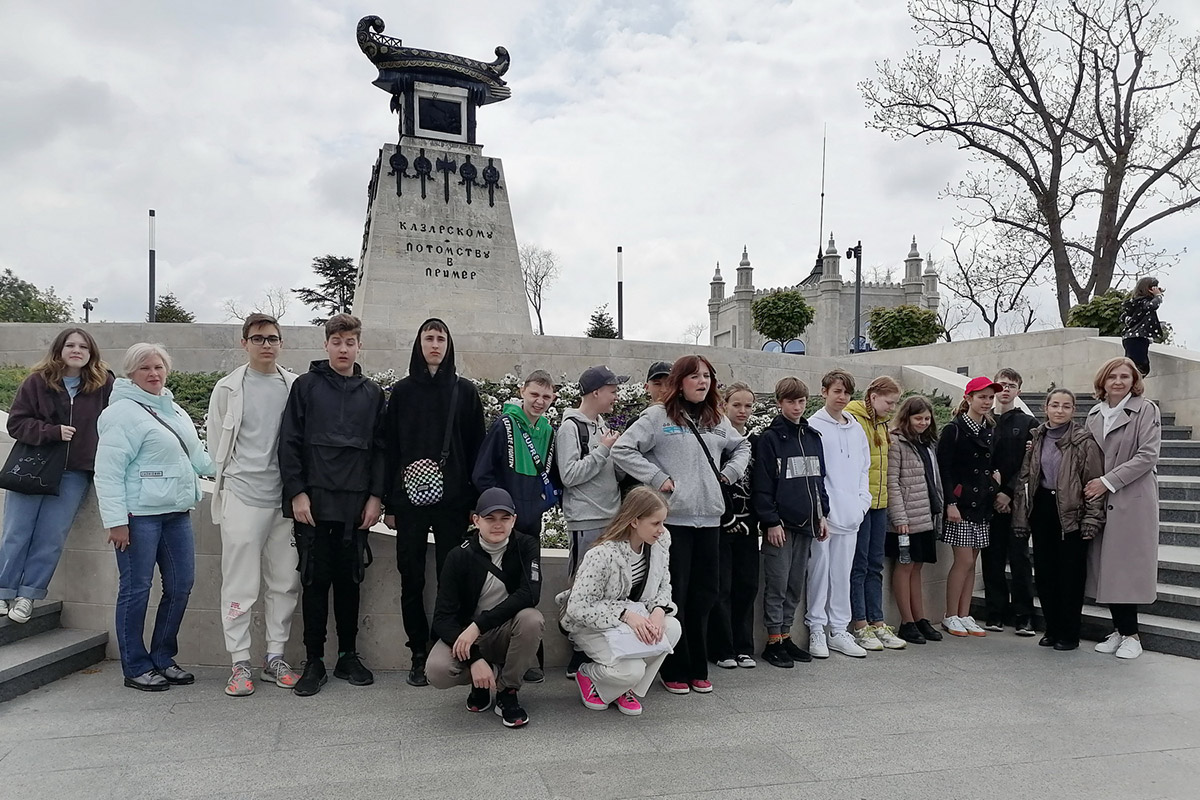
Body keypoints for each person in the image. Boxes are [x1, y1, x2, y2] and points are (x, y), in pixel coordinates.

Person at [612, 355, 750, 694]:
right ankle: (674, 667)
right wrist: (658, 478)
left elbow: (742, 445)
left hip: (711, 521)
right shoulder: (659, 416)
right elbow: (624, 449)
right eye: (694, 377)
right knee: (677, 595)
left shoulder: (718, 418)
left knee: (706, 594)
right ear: (680, 381)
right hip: (673, 522)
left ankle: (698, 666)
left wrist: (729, 474)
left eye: (707, 376)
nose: (702, 382)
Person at [278, 313, 387, 696]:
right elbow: (289, 441)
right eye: (337, 341)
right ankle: (313, 661)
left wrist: (376, 496)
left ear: (359, 346)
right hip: (313, 504)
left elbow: (380, 449)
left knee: (350, 582)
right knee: (314, 582)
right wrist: (297, 492)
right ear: (326, 345)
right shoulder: (305, 387)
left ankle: (347, 655)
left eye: (350, 342)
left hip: (355, 506)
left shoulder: (372, 393)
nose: (343, 348)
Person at [95, 343, 213, 691]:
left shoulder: (172, 409)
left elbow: (196, 456)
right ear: (131, 373)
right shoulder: (121, 413)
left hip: (176, 513)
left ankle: (163, 657)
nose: (154, 374)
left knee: (180, 586)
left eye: (159, 367)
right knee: (136, 590)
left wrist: (231, 469)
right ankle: (135, 665)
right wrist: (116, 521)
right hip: (138, 516)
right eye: (145, 368)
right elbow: (108, 472)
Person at [383, 318, 486, 688]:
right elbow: (389, 449)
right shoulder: (402, 392)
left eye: (441, 338)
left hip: (453, 502)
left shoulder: (465, 392)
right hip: (409, 502)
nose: (435, 344)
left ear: (449, 345)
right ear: (419, 343)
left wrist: (474, 500)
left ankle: (448, 645)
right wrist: (389, 503)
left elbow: (477, 449)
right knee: (410, 576)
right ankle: (417, 651)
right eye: (429, 337)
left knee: (451, 575)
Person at [206, 314, 301, 697]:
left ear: (281, 343)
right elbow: (216, 446)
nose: (266, 344)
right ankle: (239, 662)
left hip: (285, 500)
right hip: (243, 497)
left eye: (273, 338)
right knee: (240, 584)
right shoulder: (227, 389)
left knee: (285, 581)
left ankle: (275, 657)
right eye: (258, 338)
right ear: (244, 342)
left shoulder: (295, 386)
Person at [1, 329, 113, 623]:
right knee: (16, 532)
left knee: (51, 537)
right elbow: (16, 423)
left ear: (91, 353)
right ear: (59, 349)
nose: (76, 350)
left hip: (74, 473)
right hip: (32, 468)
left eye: (83, 346)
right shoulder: (37, 382)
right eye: (70, 345)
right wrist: (51, 432)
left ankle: (28, 594)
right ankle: (3, 591)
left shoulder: (103, 384)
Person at [427, 487, 543, 728]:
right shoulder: (458, 557)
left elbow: (530, 594)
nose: (498, 525)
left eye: (505, 518)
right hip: (467, 636)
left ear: (514, 520)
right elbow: (442, 618)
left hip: (504, 631)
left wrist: (478, 626)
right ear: (476, 521)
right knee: (437, 671)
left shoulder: (526, 546)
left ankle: (507, 691)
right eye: (490, 518)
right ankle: (483, 677)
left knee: (532, 619)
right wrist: (474, 659)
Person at [562, 487, 680, 716]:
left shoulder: (660, 543)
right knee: (633, 669)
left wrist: (657, 610)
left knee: (671, 627)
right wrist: (625, 615)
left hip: (632, 621)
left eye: (663, 522)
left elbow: (664, 584)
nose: (661, 530)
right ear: (635, 521)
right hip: (592, 625)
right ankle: (588, 674)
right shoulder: (603, 554)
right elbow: (577, 606)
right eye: (655, 523)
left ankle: (623, 688)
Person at [1011, 389, 1106, 651]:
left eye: (1066, 406)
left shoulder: (1083, 440)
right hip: (1043, 508)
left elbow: (1093, 481)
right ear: (1046, 408)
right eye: (1055, 405)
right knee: (1045, 573)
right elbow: (1026, 479)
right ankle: (1051, 629)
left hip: (1072, 512)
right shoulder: (1037, 437)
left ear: (1073, 410)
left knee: (1071, 576)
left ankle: (1069, 633)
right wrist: (1021, 518)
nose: (1060, 410)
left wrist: (1092, 519)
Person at [1084, 357, 1161, 659]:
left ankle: (1132, 635)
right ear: (1102, 381)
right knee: (1109, 567)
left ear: (1134, 381)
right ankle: (1119, 629)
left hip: (1132, 499)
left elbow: (1147, 455)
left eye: (1125, 377)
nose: (1118, 382)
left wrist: (1108, 481)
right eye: (1112, 376)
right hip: (1102, 498)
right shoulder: (1094, 414)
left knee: (1126, 567)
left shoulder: (1146, 410)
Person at [752, 377, 829, 668]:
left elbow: (819, 481)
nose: (797, 407)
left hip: (807, 525)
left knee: (795, 584)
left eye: (801, 401)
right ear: (779, 403)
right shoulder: (770, 439)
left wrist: (823, 515)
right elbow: (763, 485)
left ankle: (786, 635)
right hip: (780, 526)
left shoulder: (813, 437)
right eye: (790, 401)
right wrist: (771, 521)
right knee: (778, 584)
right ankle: (773, 639)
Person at [557, 365, 628, 677]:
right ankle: (577, 651)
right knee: (581, 588)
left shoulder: (601, 425)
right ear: (596, 392)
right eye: (613, 390)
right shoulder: (570, 428)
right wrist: (603, 451)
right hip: (585, 519)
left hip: (610, 518)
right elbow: (569, 475)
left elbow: (606, 471)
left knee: (607, 587)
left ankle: (597, 647)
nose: (616, 395)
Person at [806, 369, 872, 659]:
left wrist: (861, 504)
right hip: (824, 518)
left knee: (842, 575)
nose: (841, 397)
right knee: (819, 574)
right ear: (824, 392)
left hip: (851, 517)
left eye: (846, 392)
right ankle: (817, 629)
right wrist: (820, 511)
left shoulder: (856, 428)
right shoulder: (813, 426)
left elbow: (863, 469)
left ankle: (839, 629)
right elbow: (813, 474)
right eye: (836, 391)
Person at [845, 376, 907, 651]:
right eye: (888, 402)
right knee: (858, 566)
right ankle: (859, 623)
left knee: (874, 565)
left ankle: (877, 622)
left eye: (895, 403)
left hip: (880, 503)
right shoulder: (853, 419)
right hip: (861, 504)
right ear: (872, 396)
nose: (892, 408)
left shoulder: (882, 423)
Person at [938, 377, 1002, 638]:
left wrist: (994, 480)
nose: (986, 402)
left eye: (990, 397)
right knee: (962, 560)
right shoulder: (953, 429)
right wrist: (950, 503)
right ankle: (950, 614)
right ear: (968, 398)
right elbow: (943, 468)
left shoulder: (989, 428)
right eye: (981, 397)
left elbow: (990, 463)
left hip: (982, 504)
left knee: (971, 562)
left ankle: (965, 614)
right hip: (961, 505)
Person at [981, 368, 1038, 635]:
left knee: (1019, 559)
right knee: (992, 559)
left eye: (1011, 385)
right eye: (1001, 385)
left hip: (1016, 504)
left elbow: (1030, 464)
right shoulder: (983, 420)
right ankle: (995, 612)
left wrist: (1009, 492)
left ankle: (1025, 615)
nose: (1005, 390)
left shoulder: (1028, 424)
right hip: (988, 503)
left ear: (1018, 391)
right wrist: (994, 493)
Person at [473, 370, 559, 540]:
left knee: (530, 566)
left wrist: (540, 505)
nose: (539, 401)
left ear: (553, 398)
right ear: (522, 391)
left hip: (533, 523)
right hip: (505, 522)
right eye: (534, 394)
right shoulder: (504, 425)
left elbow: (553, 476)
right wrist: (502, 508)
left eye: (546, 397)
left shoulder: (548, 431)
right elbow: (481, 475)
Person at [885, 396, 944, 645]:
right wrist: (899, 517)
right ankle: (906, 622)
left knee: (917, 566)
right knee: (905, 566)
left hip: (924, 514)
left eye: (927, 418)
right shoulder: (897, 441)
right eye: (918, 418)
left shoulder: (927, 443)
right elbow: (892, 482)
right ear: (907, 417)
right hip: (905, 517)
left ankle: (920, 618)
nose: (923, 422)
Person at [709, 382, 760, 670]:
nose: (743, 411)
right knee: (722, 586)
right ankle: (723, 647)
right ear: (724, 406)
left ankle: (744, 646)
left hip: (748, 524)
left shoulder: (755, 441)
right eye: (737, 405)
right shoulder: (718, 442)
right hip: (720, 524)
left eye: (748, 405)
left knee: (748, 585)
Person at [1121, 276, 1165, 376]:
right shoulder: (1143, 302)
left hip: (1133, 338)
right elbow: (1152, 306)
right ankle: (1132, 389)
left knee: (1137, 367)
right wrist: (1158, 296)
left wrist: (1131, 321)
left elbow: (1123, 316)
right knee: (1139, 368)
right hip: (1136, 339)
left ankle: (1133, 388)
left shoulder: (1135, 302)